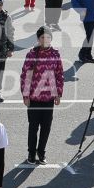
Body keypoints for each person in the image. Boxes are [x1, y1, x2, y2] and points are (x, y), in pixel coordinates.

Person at [20, 25, 65, 164]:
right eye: (42, 38)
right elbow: (25, 76)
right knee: (33, 127)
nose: (45, 40)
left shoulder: (55, 54)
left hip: (49, 98)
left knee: (46, 127)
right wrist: (26, 95)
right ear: (38, 39)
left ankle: (41, 152)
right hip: (34, 97)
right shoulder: (31, 54)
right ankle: (31, 153)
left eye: (48, 37)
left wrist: (58, 93)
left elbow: (59, 75)